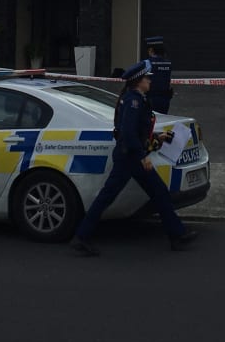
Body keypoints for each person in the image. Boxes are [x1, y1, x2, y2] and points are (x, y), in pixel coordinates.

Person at [70, 59, 197, 256]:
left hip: (132, 157)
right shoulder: (133, 101)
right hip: (129, 158)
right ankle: (81, 237)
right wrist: (142, 157)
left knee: (159, 192)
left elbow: (135, 132)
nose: (150, 81)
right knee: (107, 197)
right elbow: (128, 133)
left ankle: (177, 235)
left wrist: (156, 137)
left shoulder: (135, 99)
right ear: (138, 81)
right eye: (147, 78)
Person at [144, 35, 174, 114]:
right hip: (165, 100)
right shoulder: (168, 63)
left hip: (151, 98)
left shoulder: (147, 63)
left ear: (151, 50)